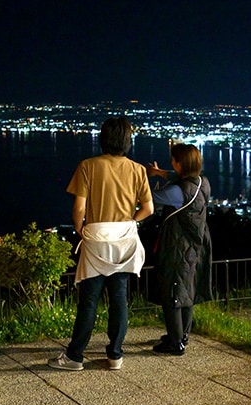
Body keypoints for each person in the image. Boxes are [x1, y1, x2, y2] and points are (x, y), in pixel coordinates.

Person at [48, 117, 153, 371]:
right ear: (127, 141)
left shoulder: (88, 166)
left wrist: (79, 228)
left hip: (96, 238)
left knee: (89, 299)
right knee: (119, 297)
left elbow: (79, 207)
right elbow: (148, 208)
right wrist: (131, 220)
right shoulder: (138, 170)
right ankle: (115, 355)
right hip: (124, 240)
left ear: (104, 138)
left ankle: (75, 356)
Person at [146, 143, 213, 356]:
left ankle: (175, 343)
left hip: (177, 247)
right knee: (187, 291)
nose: (171, 164)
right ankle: (182, 335)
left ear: (180, 163)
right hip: (197, 246)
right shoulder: (202, 183)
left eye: (173, 160)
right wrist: (159, 173)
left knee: (172, 294)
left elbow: (150, 198)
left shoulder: (177, 191)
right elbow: (177, 178)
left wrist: (137, 181)